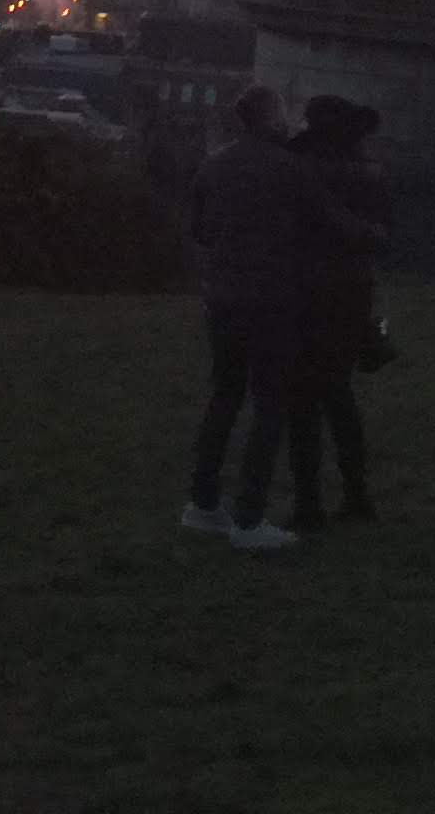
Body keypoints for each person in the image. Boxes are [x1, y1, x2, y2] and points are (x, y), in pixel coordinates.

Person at [179, 86, 383, 552]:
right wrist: (373, 235)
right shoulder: (288, 168)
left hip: (222, 297)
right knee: (271, 404)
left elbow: (200, 230)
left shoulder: (213, 165)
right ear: (271, 119)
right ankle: (250, 518)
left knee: (224, 396)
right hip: (270, 299)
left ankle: (203, 502)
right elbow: (332, 220)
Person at [282, 96, 388, 528]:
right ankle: (356, 494)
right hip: (353, 291)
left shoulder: (303, 169)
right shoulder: (367, 171)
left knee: (302, 401)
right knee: (338, 393)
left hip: (307, 291)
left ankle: (309, 504)